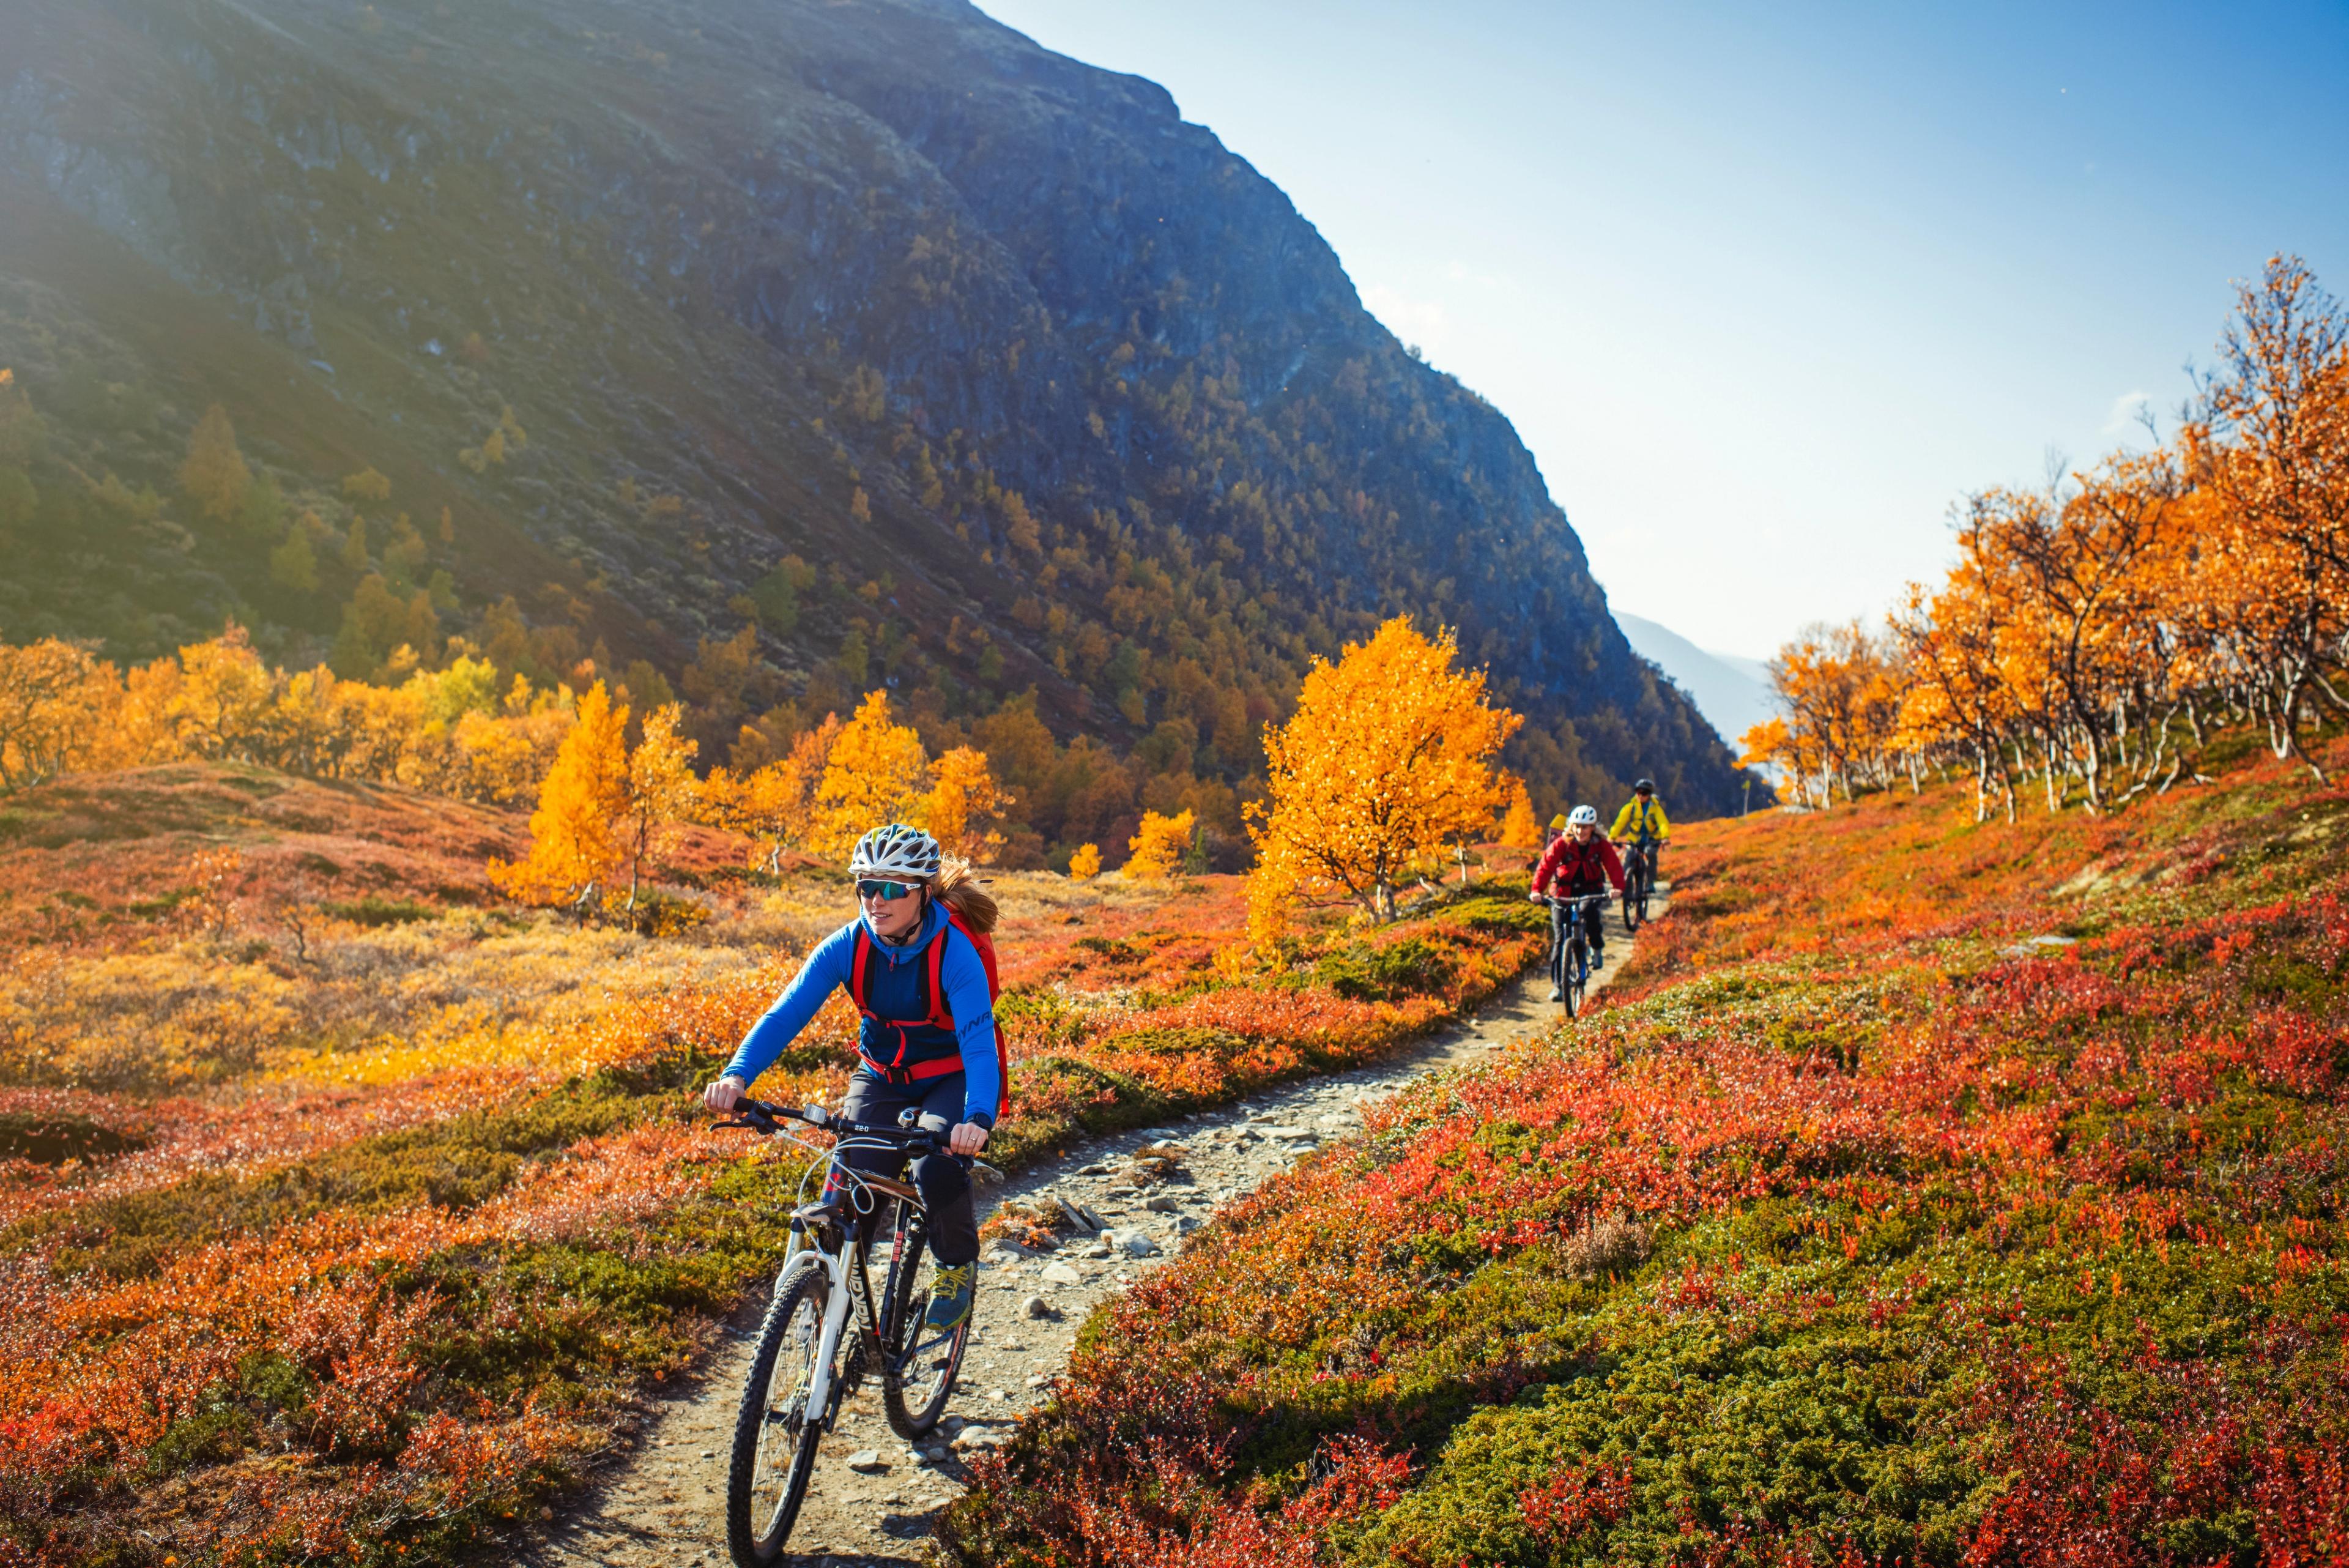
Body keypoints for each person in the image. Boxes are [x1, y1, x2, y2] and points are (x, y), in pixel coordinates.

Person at [702, 823, 999, 1334]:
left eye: (891, 888)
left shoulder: (956, 954)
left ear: (923, 893)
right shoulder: (848, 944)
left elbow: (979, 1045)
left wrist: (975, 1118)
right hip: (881, 1075)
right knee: (849, 1188)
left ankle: (956, 1266)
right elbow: (786, 1013)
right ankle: (824, 1317)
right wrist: (737, 1074)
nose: (876, 900)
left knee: (936, 1165)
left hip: (950, 1078)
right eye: (866, 886)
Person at [1527, 804, 1624, 997]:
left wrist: (1618, 888)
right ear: (1572, 826)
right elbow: (1545, 867)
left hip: (1591, 891)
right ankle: (1559, 986)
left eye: (1586, 827)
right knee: (1560, 938)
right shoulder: (1561, 844)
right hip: (1562, 892)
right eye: (1578, 826)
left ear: (1593, 828)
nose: (1581, 831)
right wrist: (1537, 891)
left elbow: (1613, 866)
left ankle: (1596, 948)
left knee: (1589, 915)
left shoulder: (1600, 845)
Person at [1609, 778, 1671, 885]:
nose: (1641, 796)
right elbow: (1620, 823)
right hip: (1634, 840)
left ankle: (1650, 882)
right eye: (1639, 792)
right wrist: (1612, 837)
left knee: (1650, 854)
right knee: (1628, 859)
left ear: (1650, 794)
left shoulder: (1656, 809)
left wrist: (1665, 837)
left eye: (1645, 793)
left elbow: (1663, 823)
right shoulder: (1630, 808)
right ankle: (1624, 885)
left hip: (1651, 840)